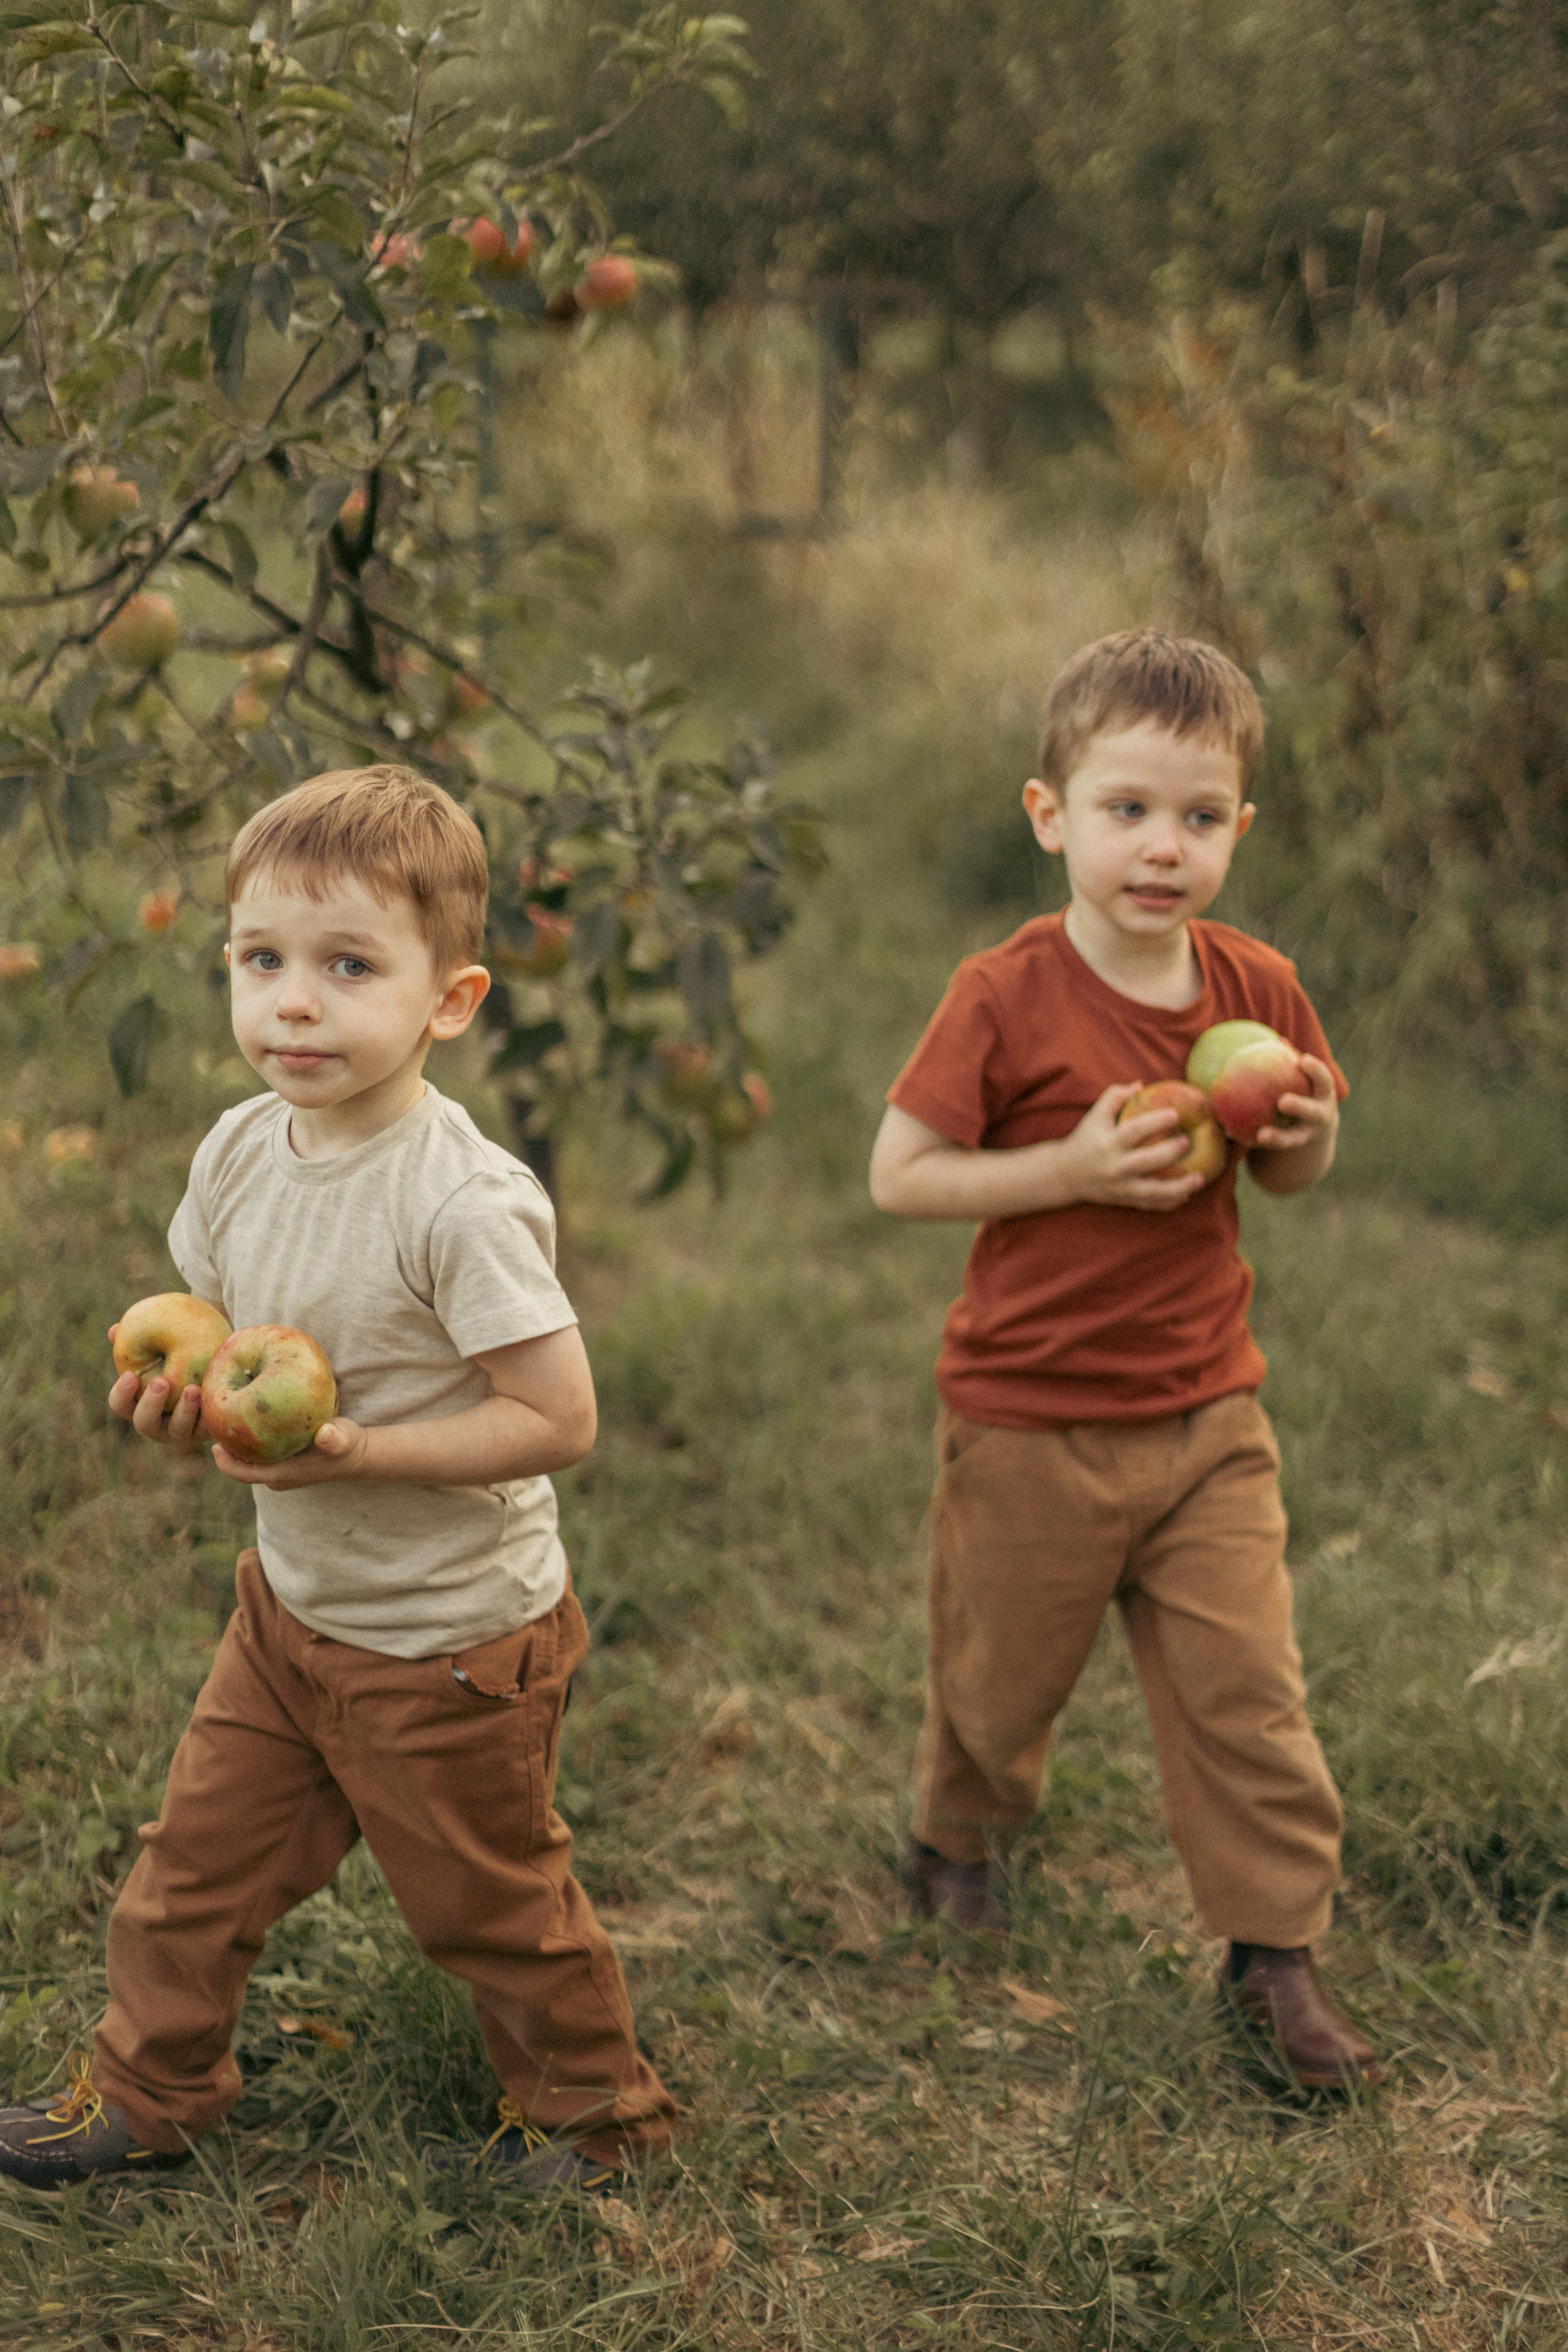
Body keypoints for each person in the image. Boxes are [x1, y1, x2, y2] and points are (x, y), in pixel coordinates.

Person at [0, 766, 677, 2187]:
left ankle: (594, 2119)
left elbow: (554, 1417)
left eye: (347, 966)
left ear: (452, 1000)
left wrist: (360, 1449)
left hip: (447, 1640)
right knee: (191, 1869)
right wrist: (186, 1402)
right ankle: (148, 2090)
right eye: (262, 961)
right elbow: (229, 1346)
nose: (293, 1002)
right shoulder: (244, 1150)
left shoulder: (458, 1200)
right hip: (293, 1614)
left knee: (486, 1904)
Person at [869, 631, 1379, 2090]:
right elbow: (900, 1175)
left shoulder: (1254, 993)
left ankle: (1272, 1954)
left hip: (1207, 1413)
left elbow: (1285, 1175)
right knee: (998, 1675)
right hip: (1028, 1419)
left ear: (1238, 829)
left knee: (1248, 1693)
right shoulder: (1004, 994)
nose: (1162, 848)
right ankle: (954, 1837)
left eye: (1199, 817)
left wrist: (1309, 1133)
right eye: (1126, 810)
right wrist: (1068, 1167)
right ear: (1051, 815)